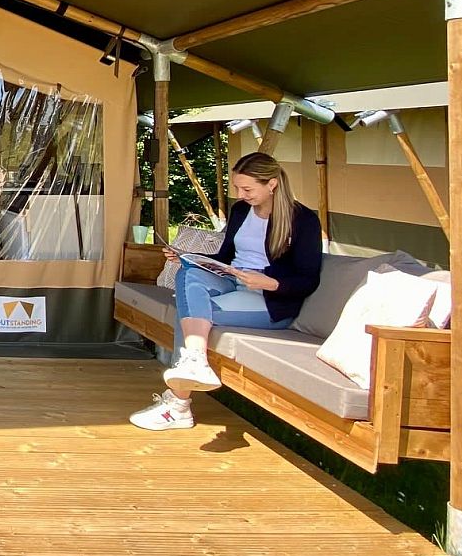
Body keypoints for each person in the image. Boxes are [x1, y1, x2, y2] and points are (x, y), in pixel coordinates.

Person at [130, 152, 322, 431]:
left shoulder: (303, 220)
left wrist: (270, 283)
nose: (241, 195)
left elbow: (308, 280)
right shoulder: (241, 211)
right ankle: (193, 367)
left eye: (247, 189)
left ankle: (179, 405)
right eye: (237, 188)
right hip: (232, 279)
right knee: (189, 273)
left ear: (272, 184)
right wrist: (190, 255)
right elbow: (226, 255)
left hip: (269, 300)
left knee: (190, 312)